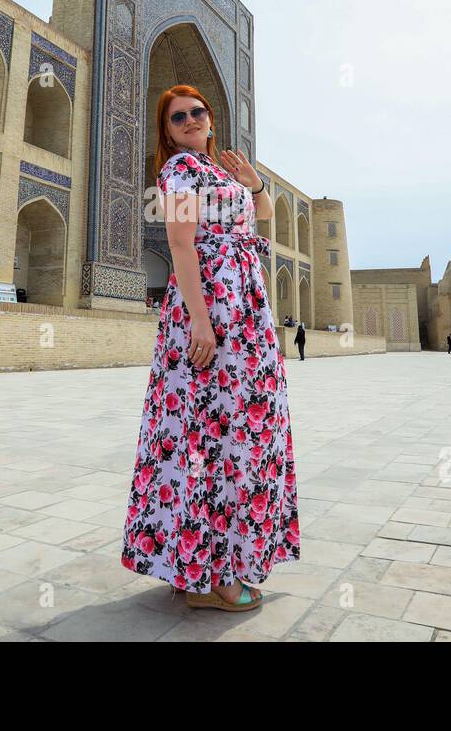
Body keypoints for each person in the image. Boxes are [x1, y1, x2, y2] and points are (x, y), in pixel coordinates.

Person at [121, 84, 299, 611]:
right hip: (213, 307)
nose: (192, 120)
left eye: (198, 112)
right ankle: (214, 576)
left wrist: (254, 182)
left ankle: (199, 565)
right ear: (168, 131)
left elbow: (263, 215)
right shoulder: (178, 172)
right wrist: (199, 319)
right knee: (208, 433)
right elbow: (179, 242)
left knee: (243, 426)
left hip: (245, 305)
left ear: (211, 118)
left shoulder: (222, 171)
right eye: (179, 118)